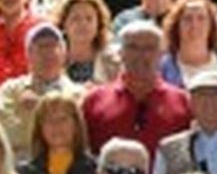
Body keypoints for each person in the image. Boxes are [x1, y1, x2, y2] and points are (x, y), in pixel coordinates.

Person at [81, 20, 190, 161]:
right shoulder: (94, 100)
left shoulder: (183, 102)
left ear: (162, 54)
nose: (141, 55)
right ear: (120, 53)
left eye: (149, 48)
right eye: (133, 47)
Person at [0, 18, 81, 158]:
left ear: (64, 53)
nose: (48, 53)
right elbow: (3, 133)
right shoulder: (10, 90)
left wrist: (37, 108)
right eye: (41, 47)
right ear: (29, 54)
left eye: (53, 46)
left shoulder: (78, 94)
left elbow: (75, 137)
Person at [20, 91, 100, 174]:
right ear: (39, 127)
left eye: (63, 119)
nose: (56, 126)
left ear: (76, 124)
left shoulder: (97, 171)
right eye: (48, 120)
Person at [159, 0, 217, 90]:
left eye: (201, 18)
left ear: (212, 25)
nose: (194, 25)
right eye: (187, 19)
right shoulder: (162, 67)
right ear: (176, 26)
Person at [55, 0, 117, 87]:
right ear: (63, 24)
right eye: (75, 19)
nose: (83, 24)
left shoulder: (113, 61)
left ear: (99, 24)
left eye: (89, 19)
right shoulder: (52, 59)